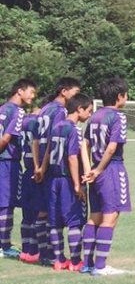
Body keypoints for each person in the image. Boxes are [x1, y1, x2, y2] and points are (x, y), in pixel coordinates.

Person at [81, 77, 130, 276]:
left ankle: (87, 264)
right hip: (111, 169)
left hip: (95, 170)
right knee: (110, 217)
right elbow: (112, 147)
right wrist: (100, 169)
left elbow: (84, 144)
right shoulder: (118, 116)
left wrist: (89, 170)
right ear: (120, 97)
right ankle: (100, 266)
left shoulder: (94, 116)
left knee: (94, 218)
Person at [45, 94, 92, 271]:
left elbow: (49, 151)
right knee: (75, 221)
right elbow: (72, 158)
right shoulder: (74, 129)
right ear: (79, 109)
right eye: (88, 111)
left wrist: (42, 168)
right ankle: (74, 261)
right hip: (66, 180)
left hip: (53, 179)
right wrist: (77, 185)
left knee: (55, 222)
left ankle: (58, 260)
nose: (89, 114)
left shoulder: (56, 126)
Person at [0, 79, 36, 258]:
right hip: (7, 162)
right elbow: (6, 139)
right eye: (31, 91)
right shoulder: (17, 111)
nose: (33, 96)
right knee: (6, 204)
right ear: (20, 91)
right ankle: (3, 246)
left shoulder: (2, 108)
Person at [18, 98, 49, 263]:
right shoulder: (38, 122)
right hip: (36, 171)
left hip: (26, 169)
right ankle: (35, 250)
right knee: (39, 212)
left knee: (27, 214)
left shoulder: (24, 120)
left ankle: (25, 249)